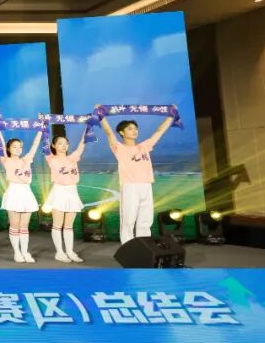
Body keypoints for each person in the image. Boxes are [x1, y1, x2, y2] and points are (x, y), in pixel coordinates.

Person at [98, 112, 175, 243]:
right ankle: (127, 245)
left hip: (146, 185)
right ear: (121, 132)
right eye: (130, 129)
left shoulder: (144, 146)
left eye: (135, 128)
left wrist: (170, 117)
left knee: (146, 219)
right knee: (128, 219)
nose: (134, 131)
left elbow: (159, 131)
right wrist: (101, 116)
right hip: (130, 187)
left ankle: (144, 244)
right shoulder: (119, 148)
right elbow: (109, 133)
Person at [0, 131, 43, 263]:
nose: (18, 149)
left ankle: (25, 252)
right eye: (14, 146)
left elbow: (35, 145)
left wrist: (40, 130)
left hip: (26, 192)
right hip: (14, 192)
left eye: (20, 147)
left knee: (24, 226)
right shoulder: (6, 160)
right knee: (15, 225)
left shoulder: (26, 159)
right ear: (8, 149)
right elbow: (1, 143)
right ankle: (17, 253)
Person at [43, 131, 88, 263]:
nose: (64, 146)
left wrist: (88, 127)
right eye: (60, 143)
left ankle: (70, 251)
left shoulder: (73, 158)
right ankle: (59, 252)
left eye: (66, 143)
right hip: (59, 191)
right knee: (58, 225)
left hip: (72, 191)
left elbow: (82, 145)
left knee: (69, 226)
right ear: (53, 145)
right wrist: (43, 128)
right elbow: (44, 143)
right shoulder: (51, 158)